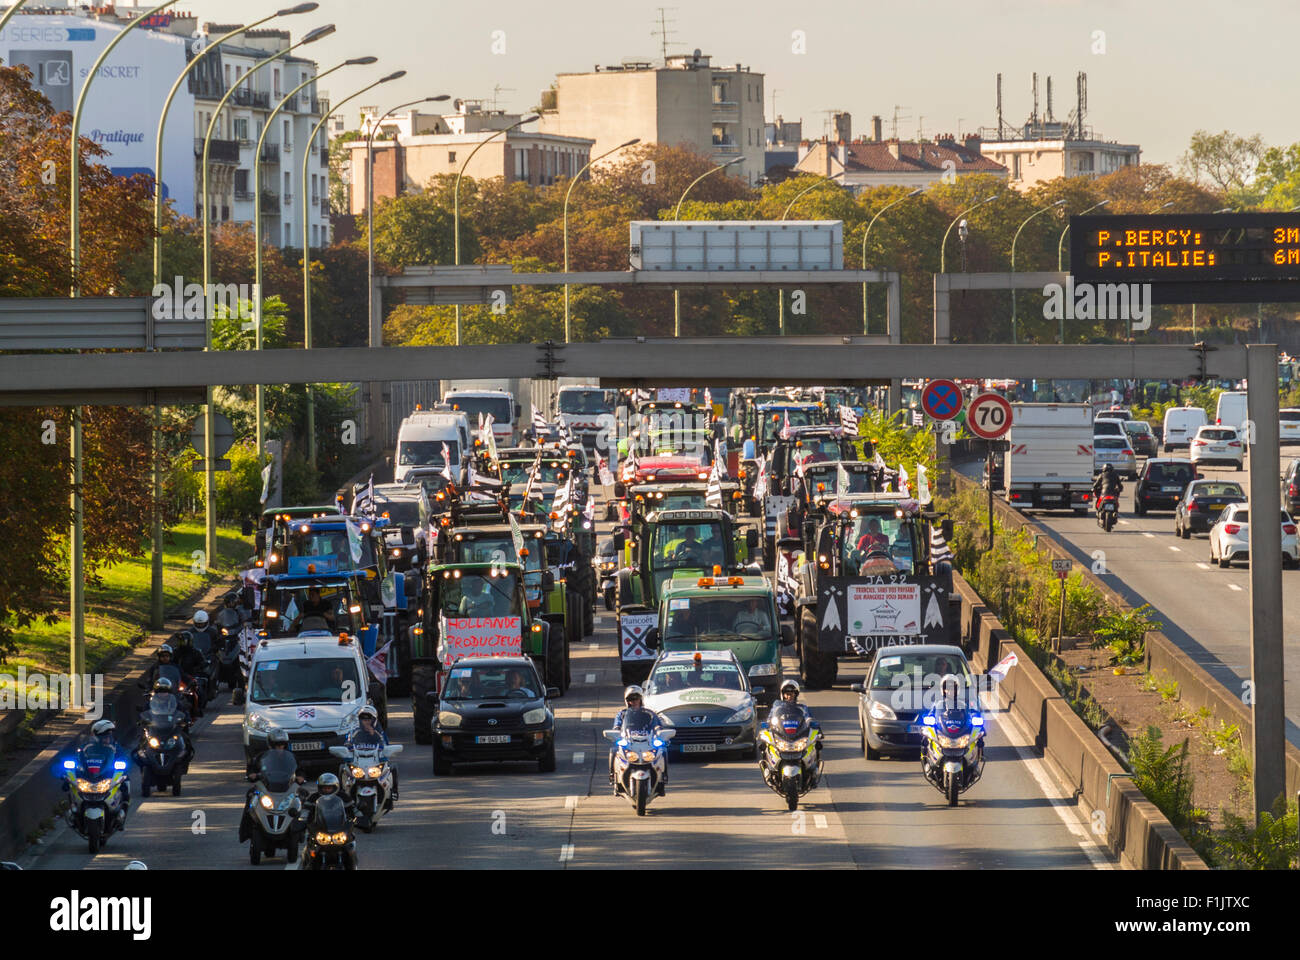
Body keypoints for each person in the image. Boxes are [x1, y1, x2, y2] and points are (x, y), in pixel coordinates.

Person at [240, 727, 304, 843]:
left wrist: (300, 777)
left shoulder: (292, 757)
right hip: (267, 787)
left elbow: (300, 770)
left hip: (286, 788)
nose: (280, 747)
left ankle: (301, 830)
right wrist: (252, 775)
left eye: (282, 744)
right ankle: (246, 830)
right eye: (276, 745)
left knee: (302, 797)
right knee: (250, 797)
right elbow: (252, 768)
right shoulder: (262, 757)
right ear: (270, 745)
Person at [608, 686, 668, 796]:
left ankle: (662, 780)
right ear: (626, 701)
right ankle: (613, 777)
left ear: (641, 699)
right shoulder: (622, 714)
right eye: (630, 699)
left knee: (663, 750)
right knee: (614, 750)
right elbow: (616, 726)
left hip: (647, 742)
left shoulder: (649, 713)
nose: (633, 701)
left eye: (636, 698)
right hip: (629, 742)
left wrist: (659, 731)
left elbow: (657, 725)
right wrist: (616, 732)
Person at [348, 705, 398, 803]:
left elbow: (385, 744)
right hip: (359, 761)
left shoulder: (379, 732)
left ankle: (393, 792)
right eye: (363, 719)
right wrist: (347, 751)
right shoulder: (355, 732)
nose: (366, 722)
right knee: (343, 768)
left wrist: (373, 733)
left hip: (375, 760)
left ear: (374, 720)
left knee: (393, 768)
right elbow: (348, 743)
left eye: (368, 719)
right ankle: (344, 794)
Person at [88, 719, 131, 827]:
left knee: (126, 785)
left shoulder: (116, 747)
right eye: (104, 736)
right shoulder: (88, 748)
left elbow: (124, 759)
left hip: (110, 777)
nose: (107, 738)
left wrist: (122, 767)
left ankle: (122, 812)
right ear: (97, 737)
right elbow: (80, 758)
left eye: (109, 736)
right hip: (91, 778)